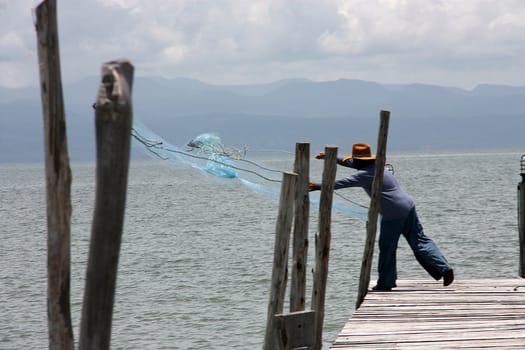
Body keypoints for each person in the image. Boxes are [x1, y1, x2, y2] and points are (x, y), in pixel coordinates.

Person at [309, 143, 454, 291]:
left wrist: (317, 186)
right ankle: (444, 268)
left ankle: (386, 283)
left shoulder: (364, 175)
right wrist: (331, 158)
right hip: (408, 205)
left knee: (387, 248)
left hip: (393, 213)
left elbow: (341, 183)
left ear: (359, 161)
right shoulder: (378, 166)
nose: (353, 162)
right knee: (420, 240)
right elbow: (350, 162)